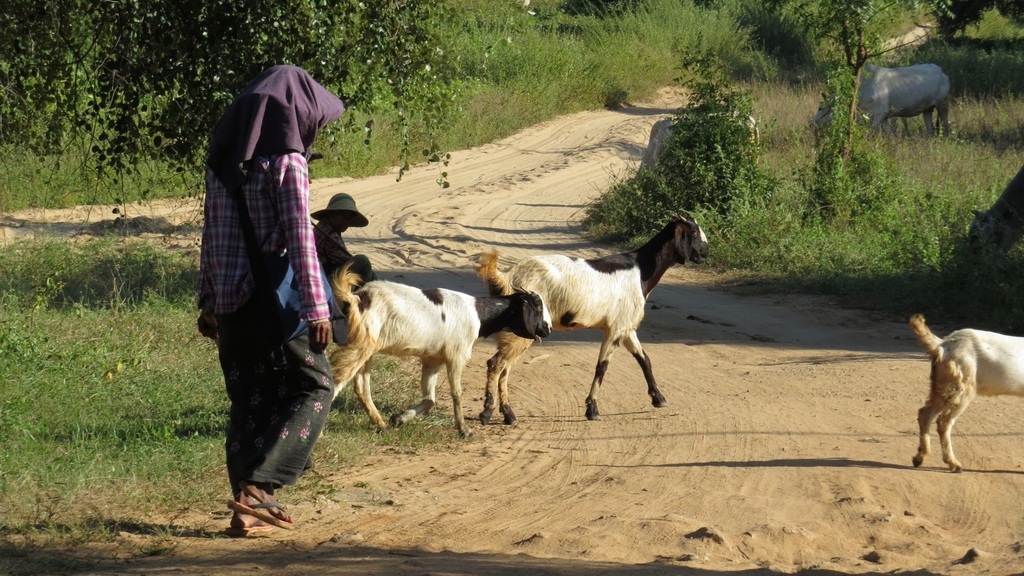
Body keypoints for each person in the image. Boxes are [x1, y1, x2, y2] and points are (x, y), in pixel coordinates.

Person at [196, 65, 343, 537]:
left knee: (248, 398)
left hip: (232, 304)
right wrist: (318, 307)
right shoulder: (287, 163)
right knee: (315, 385)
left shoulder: (221, 162)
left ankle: (245, 508)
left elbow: (211, 238)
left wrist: (209, 302)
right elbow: (301, 236)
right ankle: (260, 488)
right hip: (277, 304)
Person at [311, 192, 377, 283]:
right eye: (342, 215)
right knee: (362, 261)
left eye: (350, 217)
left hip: (321, 273)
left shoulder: (323, 225)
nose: (346, 221)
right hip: (325, 278)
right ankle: (375, 287)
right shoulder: (330, 234)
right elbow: (347, 261)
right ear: (331, 214)